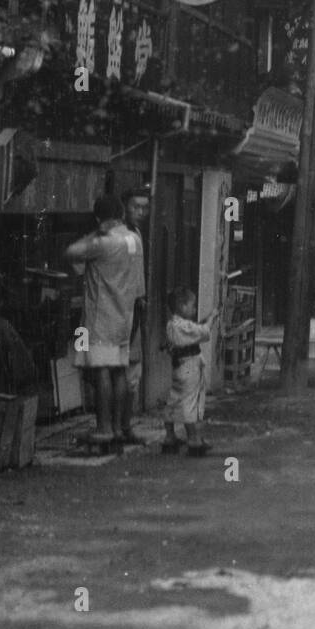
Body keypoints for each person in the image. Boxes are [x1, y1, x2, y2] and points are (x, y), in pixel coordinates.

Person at [64, 193, 146, 446]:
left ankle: (104, 427)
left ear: (99, 217)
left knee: (100, 370)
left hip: (101, 316)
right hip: (125, 316)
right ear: (121, 213)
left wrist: (95, 232)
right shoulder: (134, 239)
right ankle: (120, 427)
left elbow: (70, 252)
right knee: (119, 370)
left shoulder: (103, 242)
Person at [160, 287, 217, 456]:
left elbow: (194, 329)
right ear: (182, 306)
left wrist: (204, 320)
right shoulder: (184, 325)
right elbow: (203, 332)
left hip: (178, 366)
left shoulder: (172, 324)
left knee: (174, 399)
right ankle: (193, 439)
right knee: (190, 402)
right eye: (192, 306)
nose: (194, 309)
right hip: (190, 365)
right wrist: (212, 318)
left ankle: (169, 437)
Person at [122, 186, 151, 405]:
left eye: (144, 208)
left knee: (133, 369)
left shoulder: (137, 233)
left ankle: (125, 425)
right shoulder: (122, 235)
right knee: (122, 368)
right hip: (122, 308)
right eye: (135, 207)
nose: (140, 212)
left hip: (136, 307)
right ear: (125, 208)